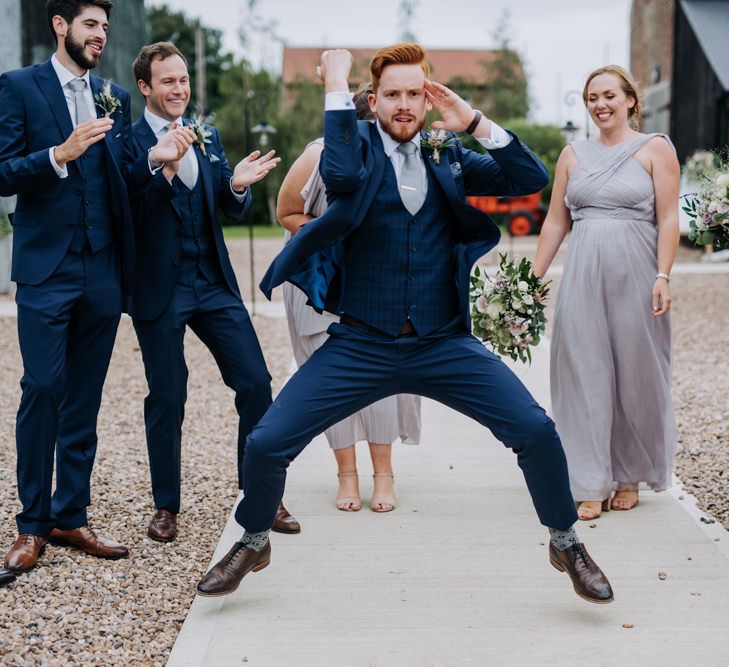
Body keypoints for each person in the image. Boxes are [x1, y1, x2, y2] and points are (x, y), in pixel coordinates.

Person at [197, 44, 614, 605]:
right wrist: (335, 83)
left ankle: (565, 542)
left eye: (414, 93)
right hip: (362, 343)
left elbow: (529, 178)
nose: (404, 104)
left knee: (536, 431)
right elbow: (340, 176)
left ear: (427, 98)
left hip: (443, 343)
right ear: (373, 100)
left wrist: (474, 123)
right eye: (392, 94)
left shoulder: (450, 154)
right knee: (268, 442)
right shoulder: (356, 148)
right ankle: (254, 539)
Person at [0, 0, 188, 573]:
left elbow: (121, 178)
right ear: (60, 26)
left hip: (102, 269)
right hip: (47, 270)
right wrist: (58, 154)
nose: (100, 35)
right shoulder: (19, 86)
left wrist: (153, 160)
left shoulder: (116, 95)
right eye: (90, 25)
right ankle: (30, 524)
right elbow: (3, 169)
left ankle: (70, 515)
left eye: (105, 27)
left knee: (85, 397)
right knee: (42, 388)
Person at [127, 42, 300, 542]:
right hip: (160, 287)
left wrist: (239, 186)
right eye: (167, 81)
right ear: (146, 87)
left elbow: (228, 204)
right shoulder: (127, 139)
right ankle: (166, 506)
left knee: (254, 382)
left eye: (183, 80)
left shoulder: (208, 134)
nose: (179, 89)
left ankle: (260, 497)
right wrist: (160, 165)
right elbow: (130, 210)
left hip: (213, 282)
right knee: (168, 394)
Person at [533, 65, 680, 521]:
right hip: (582, 274)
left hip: (636, 272)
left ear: (631, 100)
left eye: (609, 95)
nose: (600, 104)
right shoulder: (572, 154)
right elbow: (557, 219)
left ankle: (630, 473)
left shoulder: (655, 149)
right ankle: (590, 479)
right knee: (583, 369)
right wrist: (531, 276)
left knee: (635, 373)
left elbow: (670, 217)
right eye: (592, 97)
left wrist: (663, 275)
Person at [277, 84, 422, 513]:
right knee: (328, 380)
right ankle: (346, 474)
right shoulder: (316, 156)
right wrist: (335, 235)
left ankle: (383, 474)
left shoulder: (406, 160)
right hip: (317, 283)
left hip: (378, 285)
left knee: (379, 379)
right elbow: (286, 214)